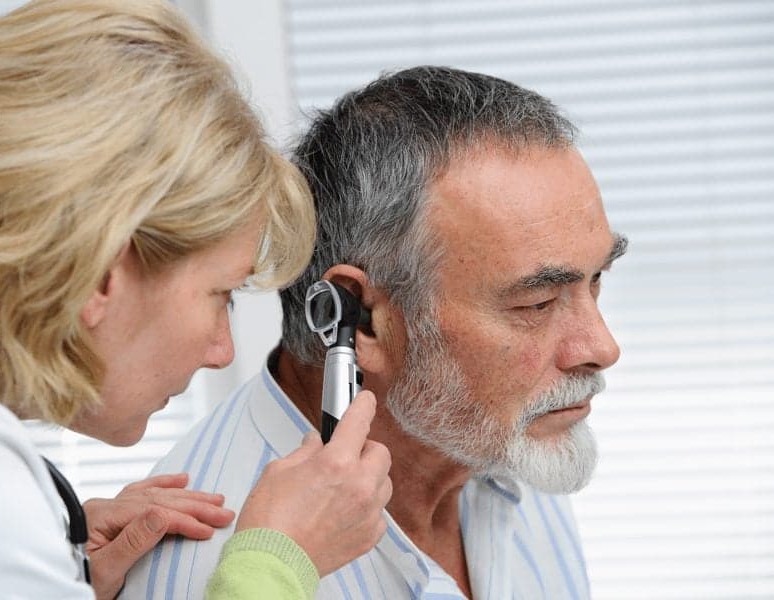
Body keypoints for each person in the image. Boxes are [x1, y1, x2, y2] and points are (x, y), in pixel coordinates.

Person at [0, 1, 392, 599]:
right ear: (96, 275)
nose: (223, 353)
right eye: (220, 293)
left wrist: (45, 558)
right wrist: (275, 561)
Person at [122, 65, 628, 599]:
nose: (600, 347)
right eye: (538, 302)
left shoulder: (508, 437)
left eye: (595, 281)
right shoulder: (199, 566)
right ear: (361, 318)